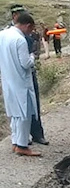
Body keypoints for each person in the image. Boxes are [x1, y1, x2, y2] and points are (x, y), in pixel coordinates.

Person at [0, 13, 42, 156]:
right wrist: (32, 57)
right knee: (25, 114)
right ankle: (22, 145)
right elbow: (25, 64)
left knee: (15, 115)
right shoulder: (20, 39)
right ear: (28, 26)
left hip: (7, 78)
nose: (30, 33)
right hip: (21, 82)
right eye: (30, 30)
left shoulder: (3, 34)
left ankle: (15, 141)